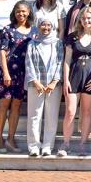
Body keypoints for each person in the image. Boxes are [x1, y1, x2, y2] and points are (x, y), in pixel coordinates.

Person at [61, 6, 91, 157]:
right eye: (84, 18)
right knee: (70, 111)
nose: (86, 20)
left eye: (89, 18)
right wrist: (66, 79)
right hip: (74, 75)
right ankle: (66, 143)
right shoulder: (72, 36)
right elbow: (67, 60)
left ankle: (83, 144)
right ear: (80, 20)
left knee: (87, 112)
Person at [0, 0, 33, 153]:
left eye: (23, 11)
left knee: (16, 105)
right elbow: (2, 52)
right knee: (4, 105)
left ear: (29, 12)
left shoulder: (34, 31)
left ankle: (10, 138)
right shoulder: (7, 30)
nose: (21, 14)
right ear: (14, 13)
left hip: (24, 72)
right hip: (8, 71)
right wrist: (5, 72)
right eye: (18, 11)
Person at [24, 17, 64, 158]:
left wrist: (54, 81)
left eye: (48, 25)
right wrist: (35, 82)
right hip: (36, 85)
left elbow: (60, 62)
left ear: (52, 27)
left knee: (51, 116)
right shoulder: (32, 44)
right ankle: (34, 146)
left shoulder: (58, 43)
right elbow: (29, 63)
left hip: (53, 85)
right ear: (38, 26)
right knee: (34, 116)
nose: (46, 28)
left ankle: (47, 146)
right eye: (43, 25)